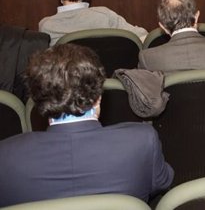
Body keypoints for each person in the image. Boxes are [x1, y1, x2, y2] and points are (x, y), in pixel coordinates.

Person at [0, 44, 173, 206]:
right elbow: (163, 182)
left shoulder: (5, 156)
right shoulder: (142, 140)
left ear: (38, 101)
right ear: (99, 96)